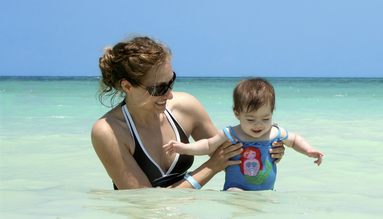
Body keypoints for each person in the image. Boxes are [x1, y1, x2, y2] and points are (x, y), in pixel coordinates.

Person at [91, 36, 286, 190]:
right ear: (127, 86)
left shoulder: (186, 107)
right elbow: (145, 203)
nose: (169, 95)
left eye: (171, 82)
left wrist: (266, 145)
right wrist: (211, 167)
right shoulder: (110, 131)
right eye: (158, 88)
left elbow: (233, 152)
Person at [163, 78, 323, 191]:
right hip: (235, 189)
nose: (259, 124)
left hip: (266, 192)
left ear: (272, 111)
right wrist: (184, 148)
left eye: (265, 118)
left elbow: (295, 140)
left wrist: (308, 150)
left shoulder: (275, 132)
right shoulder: (231, 133)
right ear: (237, 113)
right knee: (235, 196)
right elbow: (207, 145)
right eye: (251, 119)